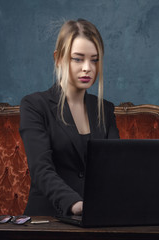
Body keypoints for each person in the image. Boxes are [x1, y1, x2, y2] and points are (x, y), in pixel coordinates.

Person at [19, 19, 120, 217]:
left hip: (95, 220)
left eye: (94, 59)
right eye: (78, 59)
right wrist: (75, 204)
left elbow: (115, 168)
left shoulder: (105, 109)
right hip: (48, 219)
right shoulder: (34, 105)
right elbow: (41, 170)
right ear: (58, 58)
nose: (87, 68)